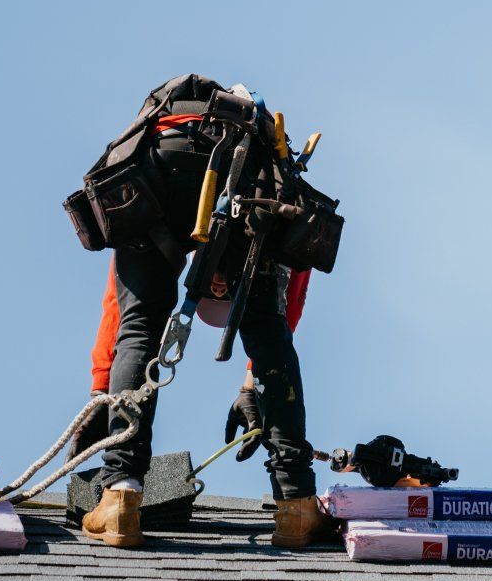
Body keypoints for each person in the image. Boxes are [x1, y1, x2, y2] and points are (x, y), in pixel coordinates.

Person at [76, 80, 326, 550]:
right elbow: (282, 313)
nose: (213, 285)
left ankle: (119, 498)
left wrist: (104, 384)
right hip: (241, 178)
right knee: (265, 329)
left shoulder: (187, 138)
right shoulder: (273, 173)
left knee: (142, 324)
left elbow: (124, 312)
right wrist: (255, 375)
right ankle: (296, 507)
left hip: (160, 164)